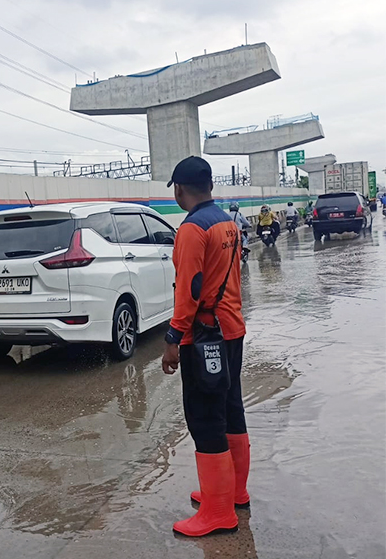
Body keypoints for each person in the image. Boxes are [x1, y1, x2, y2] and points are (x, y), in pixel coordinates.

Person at [162, 156, 248, 537]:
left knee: (204, 416)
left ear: (180, 189)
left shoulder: (192, 229)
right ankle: (235, 493)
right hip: (231, 329)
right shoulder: (228, 223)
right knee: (230, 408)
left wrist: (172, 339)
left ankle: (217, 512)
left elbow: (190, 291)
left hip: (203, 338)